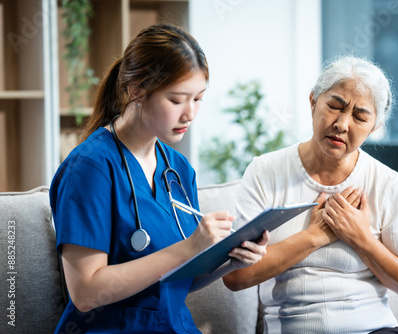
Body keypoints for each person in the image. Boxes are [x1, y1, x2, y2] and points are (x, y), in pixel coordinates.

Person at [50, 23, 269, 334]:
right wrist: (190, 247)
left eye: (198, 99)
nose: (190, 113)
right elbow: (85, 293)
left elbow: (181, 278)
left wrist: (233, 259)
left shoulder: (178, 169)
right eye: (177, 100)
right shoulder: (90, 168)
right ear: (136, 90)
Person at [223, 56, 398, 334]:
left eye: (360, 117)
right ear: (313, 101)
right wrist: (314, 236)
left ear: (374, 126)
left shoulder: (388, 183)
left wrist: (361, 238)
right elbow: (234, 277)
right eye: (334, 106)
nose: (342, 124)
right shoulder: (265, 171)